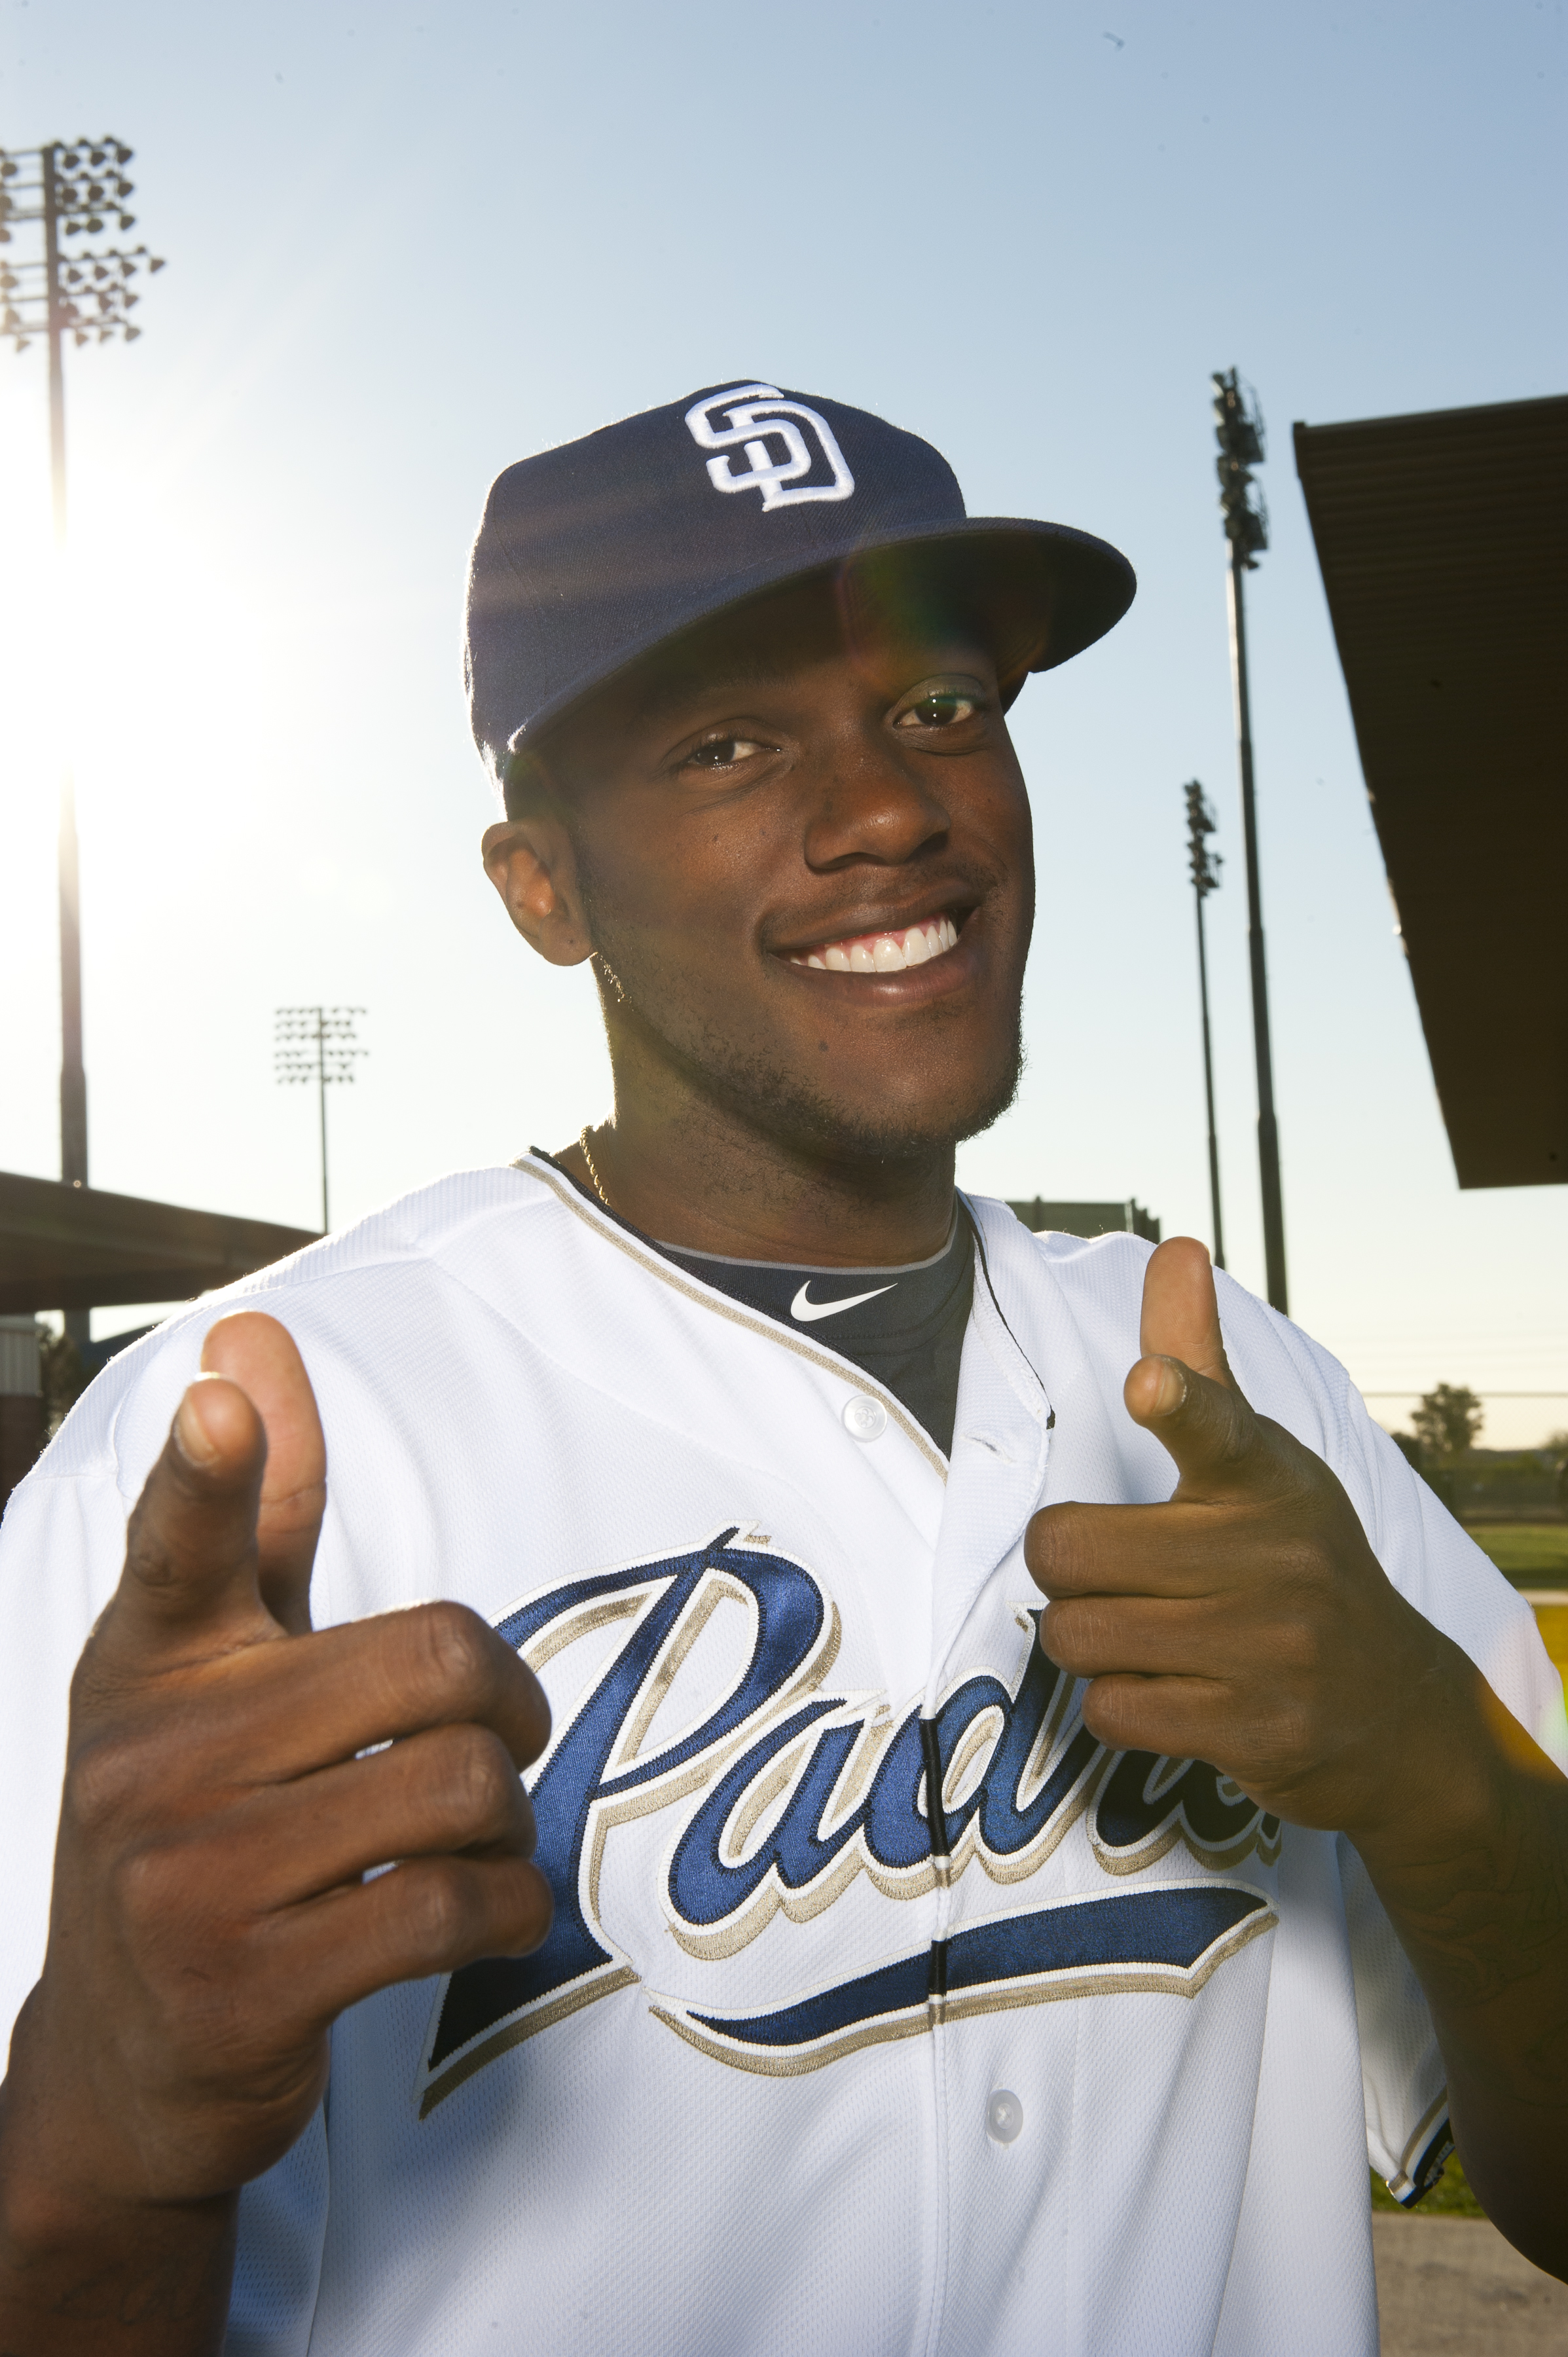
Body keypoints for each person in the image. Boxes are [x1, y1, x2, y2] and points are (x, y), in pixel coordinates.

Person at [1, 380, 1565, 2357]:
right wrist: (97, 2148)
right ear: (542, 888)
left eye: (937, 709)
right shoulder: (264, 1429)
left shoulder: (1235, 1393)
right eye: (729, 740)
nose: (892, 808)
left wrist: (1439, 1771)